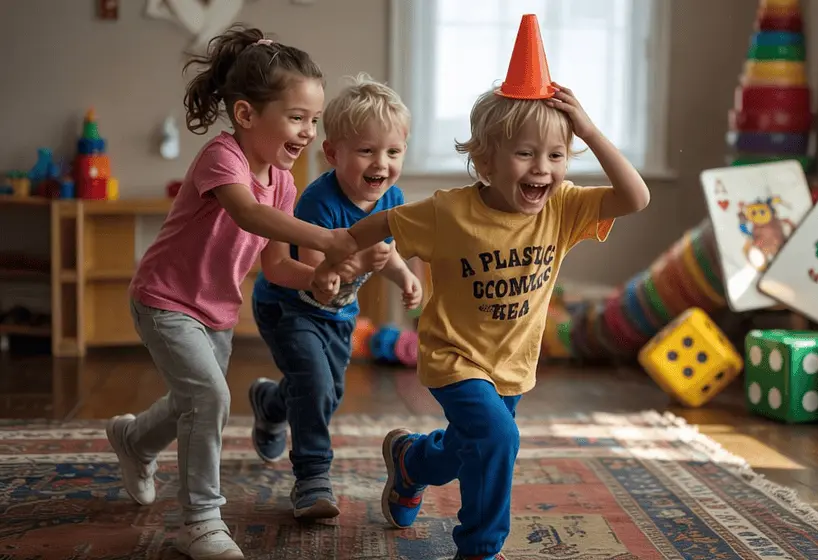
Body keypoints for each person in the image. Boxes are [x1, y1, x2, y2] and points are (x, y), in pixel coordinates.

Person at [331, 72, 650, 558]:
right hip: (454, 357)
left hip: (512, 364)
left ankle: (412, 461)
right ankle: (480, 548)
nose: (542, 168)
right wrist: (333, 258)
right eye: (525, 153)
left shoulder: (563, 207)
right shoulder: (448, 212)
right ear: (485, 160)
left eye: (556, 155)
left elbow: (636, 197)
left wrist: (586, 129)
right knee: (499, 439)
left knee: (471, 447)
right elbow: (378, 224)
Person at [103, 24, 352, 560]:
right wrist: (329, 238)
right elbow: (248, 213)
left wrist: (317, 279)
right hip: (164, 299)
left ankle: (132, 440)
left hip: (214, 313)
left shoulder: (284, 182)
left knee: (189, 402)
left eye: (314, 119)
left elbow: (277, 267)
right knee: (210, 398)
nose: (309, 131)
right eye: (297, 117)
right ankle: (201, 520)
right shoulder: (223, 158)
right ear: (245, 115)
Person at [247, 73, 423, 520]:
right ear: (333, 153)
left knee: (327, 391)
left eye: (392, 152)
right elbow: (320, 280)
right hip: (292, 305)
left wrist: (403, 277)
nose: (380, 163)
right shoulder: (318, 203)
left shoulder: (392, 198)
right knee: (315, 384)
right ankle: (312, 478)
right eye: (366, 150)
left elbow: (387, 252)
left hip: (339, 316)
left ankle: (270, 404)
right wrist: (364, 264)